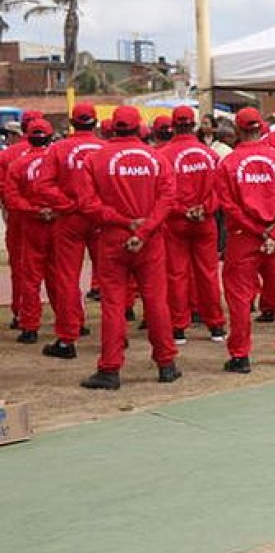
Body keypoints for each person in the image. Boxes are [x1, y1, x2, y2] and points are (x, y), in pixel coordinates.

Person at [75, 105, 182, 390]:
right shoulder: (157, 159)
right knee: (156, 301)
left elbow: (87, 204)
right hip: (150, 241)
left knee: (113, 304)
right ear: (139, 128)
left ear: (110, 128)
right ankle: (167, 364)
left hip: (112, 238)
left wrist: (124, 222)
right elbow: (167, 199)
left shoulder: (95, 159)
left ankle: (110, 369)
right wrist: (144, 229)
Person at [215, 107, 275, 373]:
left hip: (244, 238)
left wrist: (256, 230)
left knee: (240, 297)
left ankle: (240, 355)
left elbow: (228, 205)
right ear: (261, 128)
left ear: (238, 131)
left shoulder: (228, 164)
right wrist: (274, 230)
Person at [37, 103, 104, 357]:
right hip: (100, 219)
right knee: (111, 278)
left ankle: (67, 339)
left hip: (70, 219)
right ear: (95, 123)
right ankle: (115, 334)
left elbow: (43, 186)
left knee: (66, 277)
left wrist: (67, 204)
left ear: (72, 123)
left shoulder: (58, 149)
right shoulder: (105, 149)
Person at [157, 105, 225, 343]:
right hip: (204, 221)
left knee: (176, 274)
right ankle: (216, 325)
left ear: (173, 126)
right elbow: (221, 189)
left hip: (176, 222)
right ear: (193, 125)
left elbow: (162, 193)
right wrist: (205, 209)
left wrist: (183, 210)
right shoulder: (209, 154)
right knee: (208, 273)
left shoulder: (163, 155)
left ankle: (178, 327)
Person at [5, 118, 65, 344]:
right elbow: (72, 190)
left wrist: (35, 210)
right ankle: (71, 322)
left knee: (31, 277)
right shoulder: (60, 161)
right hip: (58, 224)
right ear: (51, 137)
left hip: (31, 225)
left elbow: (11, 198)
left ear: (26, 136)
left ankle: (29, 327)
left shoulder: (18, 164)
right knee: (61, 275)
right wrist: (56, 209)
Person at [1, 110, 40, 330]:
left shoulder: (8, 157)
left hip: (20, 217)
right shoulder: (55, 153)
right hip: (51, 217)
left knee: (21, 268)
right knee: (59, 272)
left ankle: (22, 315)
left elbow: (5, 191)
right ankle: (73, 322)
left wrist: (8, 210)